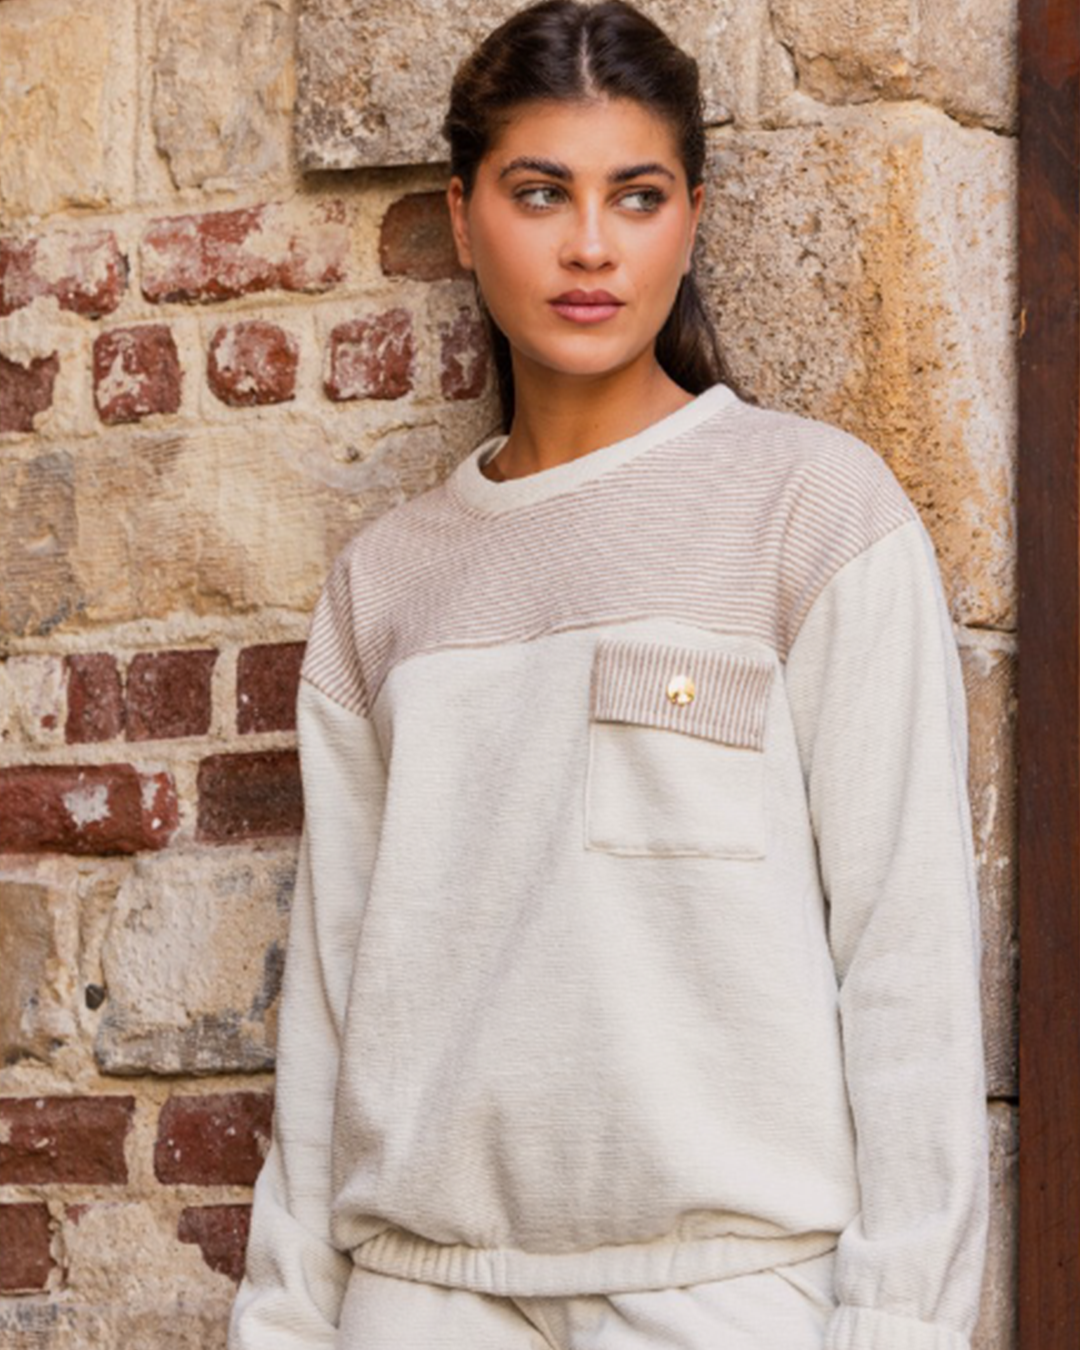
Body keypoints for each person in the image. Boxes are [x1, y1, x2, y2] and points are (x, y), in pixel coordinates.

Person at [228, 1, 989, 1346]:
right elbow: (333, 1013)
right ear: (464, 218)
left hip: (732, 1288)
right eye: (541, 193)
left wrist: (903, 1323)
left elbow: (908, 960)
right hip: (422, 1294)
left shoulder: (812, 512)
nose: (590, 244)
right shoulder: (385, 587)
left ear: (691, 220)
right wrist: (287, 1322)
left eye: (636, 196)